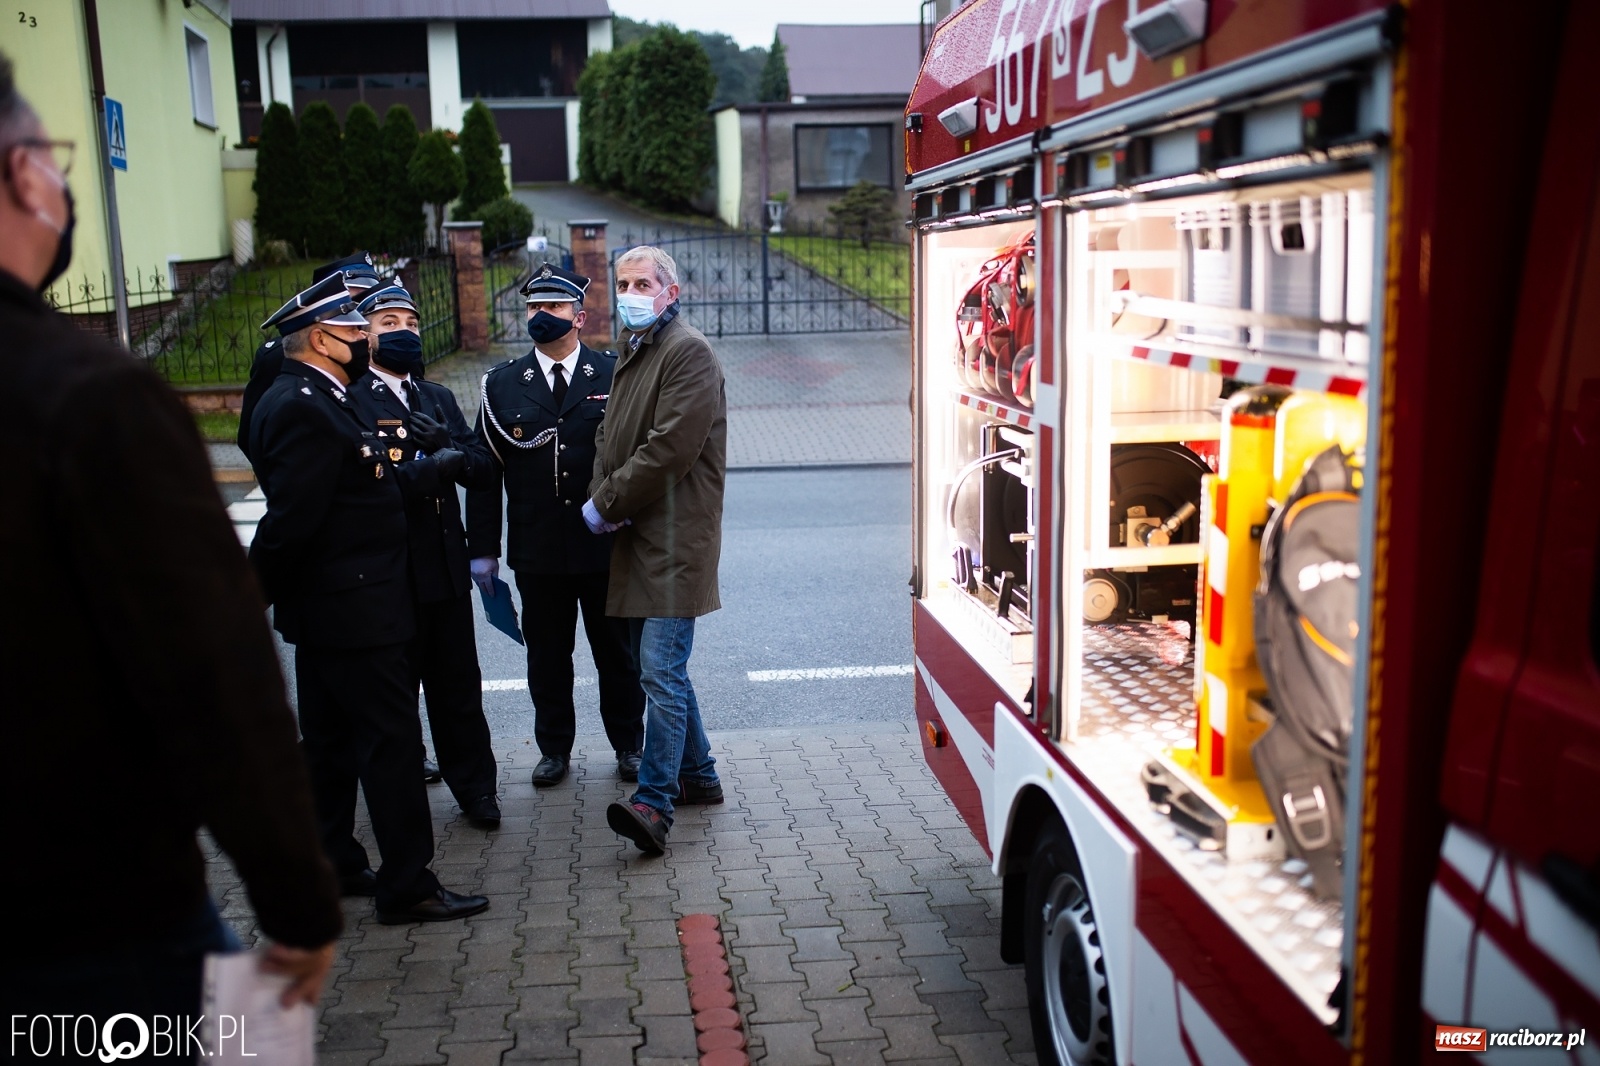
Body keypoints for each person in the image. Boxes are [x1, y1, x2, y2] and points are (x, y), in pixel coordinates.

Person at [1, 51, 342, 1029]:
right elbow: (214, 675)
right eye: (58, 158)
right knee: (253, 1035)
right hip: (94, 925)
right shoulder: (90, 399)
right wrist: (299, 902)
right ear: (27, 175)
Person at [248, 272, 488, 925]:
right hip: (355, 611)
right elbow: (292, 522)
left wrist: (426, 471)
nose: (365, 337)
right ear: (320, 339)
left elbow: (362, 488)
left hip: (339, 608)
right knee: (389, 746)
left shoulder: (326, 396)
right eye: (354, 328)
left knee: (328, 745)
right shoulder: (301, 404)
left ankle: (335, 862)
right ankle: (407, 885)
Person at [467, 264, 646, 789]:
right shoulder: (501, 385)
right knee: (547, 658)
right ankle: (553, 749)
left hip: (604, 546)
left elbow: (637, 456)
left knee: (618, 655)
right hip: (538, 549)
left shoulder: (614, 374)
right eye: (534, 307)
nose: (541, 315)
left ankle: (629, 745)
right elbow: (484, 475)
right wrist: (483, 549)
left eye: (554, 307)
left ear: (579, 317)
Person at [589, 246, 727, 855]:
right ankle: (699, 775)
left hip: (675, 537)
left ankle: (654, 803)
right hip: (640, 532)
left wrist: (608, 501)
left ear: (671, 292)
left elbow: (671, 448)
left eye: (643, 284)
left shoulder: (687, 351)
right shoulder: (636, 346)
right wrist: (603, 495)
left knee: (658, 670)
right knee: (663, 669)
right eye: (623, 284)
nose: (630, 294)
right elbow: (608, 433)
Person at [352, 282, 502, 828]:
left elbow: (483, 469)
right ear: (365, 335)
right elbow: (369, 486)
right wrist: (432, 466)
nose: (404, 333)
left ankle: (476, 790)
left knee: (458, 688)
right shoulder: (352, 397)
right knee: (394, 696)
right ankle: (401, 802)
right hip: (392, 573)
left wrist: (451, 448)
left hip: (443, 570)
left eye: (411, 323)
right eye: (389, 323)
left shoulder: (435, 396)